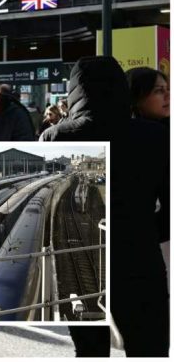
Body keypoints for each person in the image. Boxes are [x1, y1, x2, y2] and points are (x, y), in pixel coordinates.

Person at [40, 56, 169, 357]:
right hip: (140, 259)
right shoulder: (155, 136)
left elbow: (51, 199)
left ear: (73, 92)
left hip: (79, 261)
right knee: (150, 348)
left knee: (90, 351)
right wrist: (148, 232)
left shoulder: (56, 136)